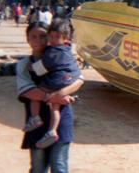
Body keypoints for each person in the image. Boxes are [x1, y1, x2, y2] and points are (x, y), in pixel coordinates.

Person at [18, 22, 83, 173]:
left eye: (42, 36)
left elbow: (79, 79)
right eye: (33, 37)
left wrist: (59, 94)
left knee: (59, 166)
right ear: (27, 39)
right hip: (37, 124)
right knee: (38, 167)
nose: (38, 40)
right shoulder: (23, 65)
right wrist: (56, 97)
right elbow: (29, 92)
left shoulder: (60, 54)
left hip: (62, 120)